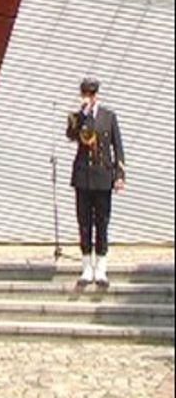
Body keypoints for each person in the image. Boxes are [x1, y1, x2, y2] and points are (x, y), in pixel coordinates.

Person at [66, 77, 126, 287]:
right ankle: (86, 267)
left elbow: (117, 147)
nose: (87, 98)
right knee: (84, 223)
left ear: (96, 94)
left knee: (102, 222)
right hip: (83, 177)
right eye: (84, 94)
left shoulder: (109, 116)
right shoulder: (76, 117)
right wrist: (82, 115)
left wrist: (119, 176)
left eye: (90, 95)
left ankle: (101, 268)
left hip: (103, 176)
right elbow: (71, 135)